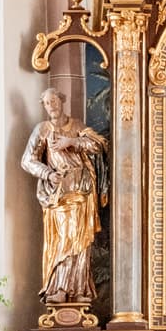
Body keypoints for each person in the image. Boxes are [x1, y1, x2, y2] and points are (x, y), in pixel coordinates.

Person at [20, 89, 108, 307]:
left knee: (81, 241)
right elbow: (27, 160)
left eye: (55, 101)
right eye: (47, 103)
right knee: (63, 240)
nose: (52, 106)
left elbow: (99, 145)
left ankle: (79, 288)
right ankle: (59, 287)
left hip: (82, 190)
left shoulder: (77, 126)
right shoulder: (42, 129)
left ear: (62, 101)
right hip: (58, 194)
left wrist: (72, 142)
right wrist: (48, 173)